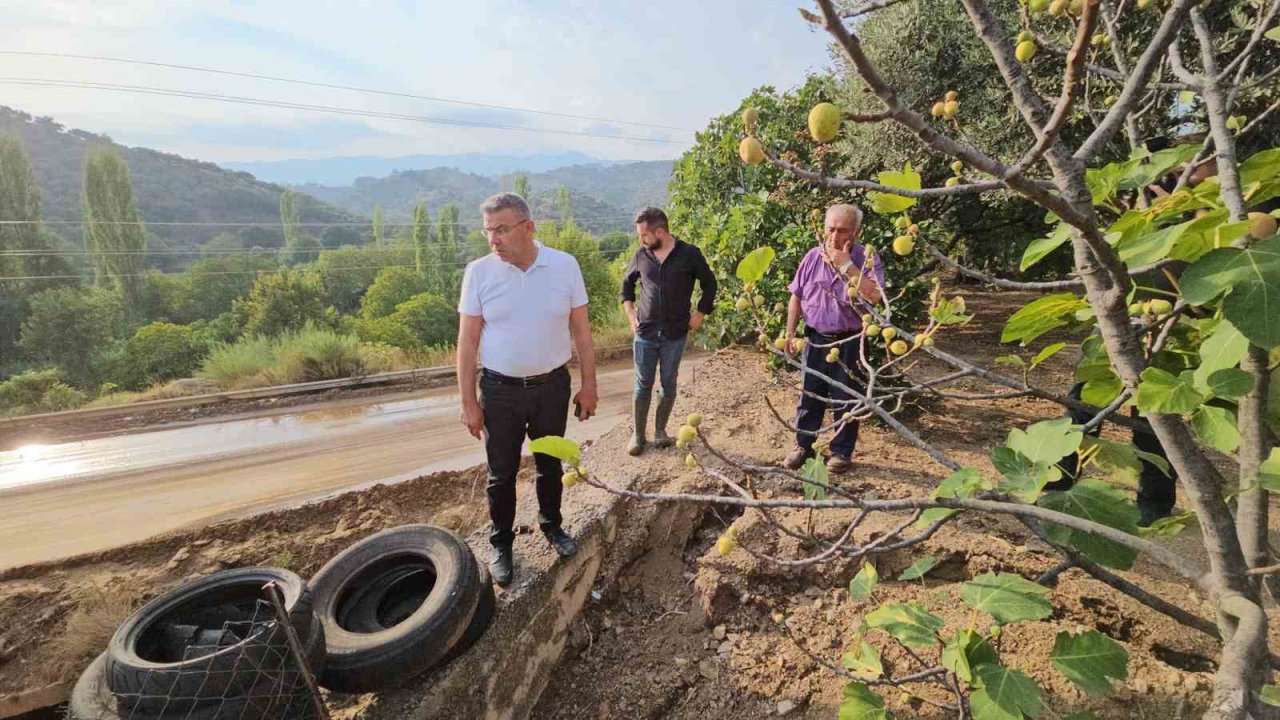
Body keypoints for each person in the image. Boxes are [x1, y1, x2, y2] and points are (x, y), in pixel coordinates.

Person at [457, 192, 599, 587]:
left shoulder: (564, 266)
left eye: (501, 230)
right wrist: (469, 402)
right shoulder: (479, 273)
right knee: (500, 473)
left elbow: (582, 334)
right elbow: (467, 343)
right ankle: (501, 543)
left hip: (552, 387)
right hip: (499, 391)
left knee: (549, 463)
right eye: (488, 231)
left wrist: (589, 386)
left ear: (528, 227)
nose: (493, 240)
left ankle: (552, 526)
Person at [782, 204, 884, 474]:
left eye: (843, 230)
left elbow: (875, 297)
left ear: (856, 232)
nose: (835, 236)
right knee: (809, 395)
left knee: (847, 398)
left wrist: (847, 265)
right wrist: (789, 333)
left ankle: (841, 451)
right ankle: (804, 445)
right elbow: (797, 295)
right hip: (814, 339)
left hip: (850, 340)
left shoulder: (866, 259)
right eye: (831, 229)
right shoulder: (812, 256)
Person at [620, 207, 718, 456]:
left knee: (668, 383)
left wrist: (700, 314)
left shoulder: (689, 254)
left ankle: (660, 432)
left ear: (660, 232)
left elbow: (710, 284)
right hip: (645, 333)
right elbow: (626, 286)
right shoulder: (641, 254)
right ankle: (638, 436)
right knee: (643, 384)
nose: (641, 240)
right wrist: (631, 315)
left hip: (675, 333)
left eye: (644, 235)